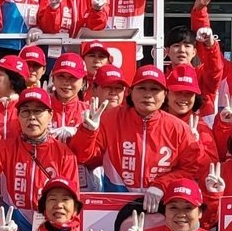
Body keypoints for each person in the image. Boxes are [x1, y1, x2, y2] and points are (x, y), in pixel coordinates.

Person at [72, 65, 199, 202]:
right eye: (142, 88)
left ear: (165, 95)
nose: (148, 95)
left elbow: (191, 168)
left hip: (163, 205)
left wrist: (162, 185)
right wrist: (87, 132)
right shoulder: (110, 119)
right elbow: (82, 157)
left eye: (154, 89)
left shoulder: (178, 128)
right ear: (131, 92)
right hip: (116, 205)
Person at [0, 87, 81, 216]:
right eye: (26, 111)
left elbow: (72, 200)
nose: (32, 117)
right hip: (12, 224)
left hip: (49, 224)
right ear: (17, 115)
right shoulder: (5, 148)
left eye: (38, 111)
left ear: (50, 115)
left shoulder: (64, 154)